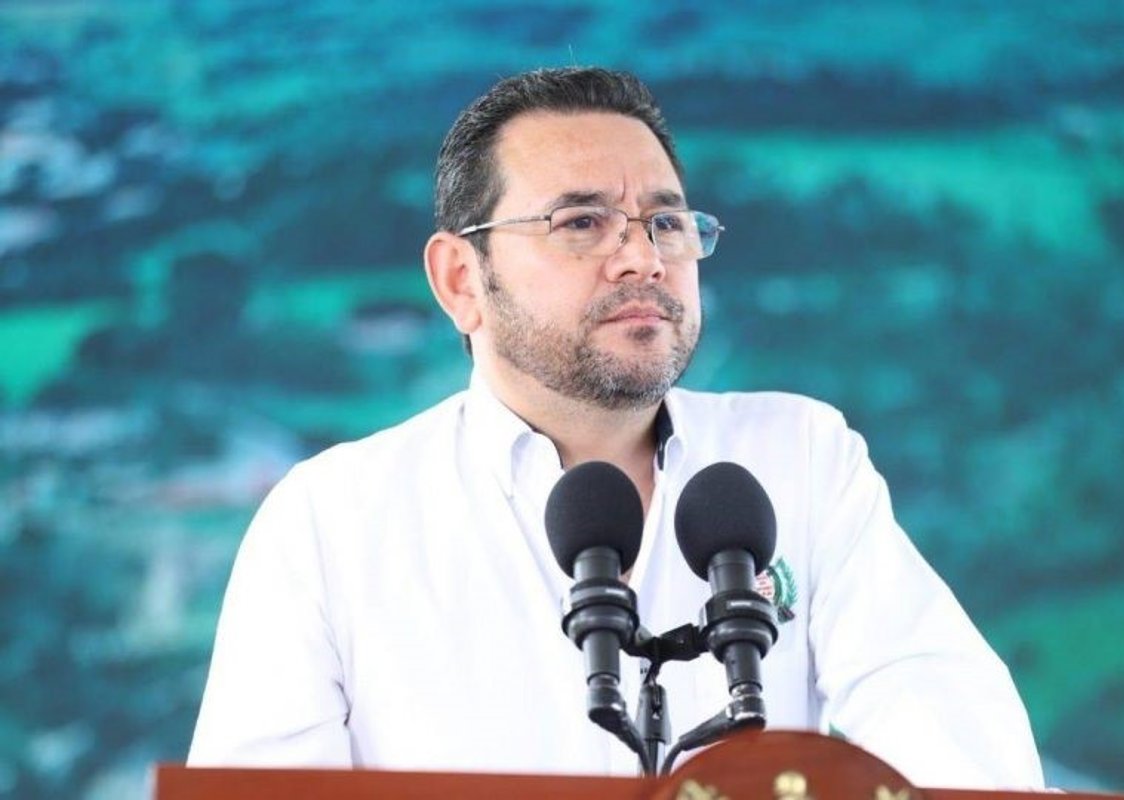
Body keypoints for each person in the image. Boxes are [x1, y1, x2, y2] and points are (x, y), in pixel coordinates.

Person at [188, 67, 1045, 789]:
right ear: (460, 280)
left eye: (667, 223)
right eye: (581, 223)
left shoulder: (801, 457)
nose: (643, 258)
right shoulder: (330, 519)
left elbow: (949, 724)